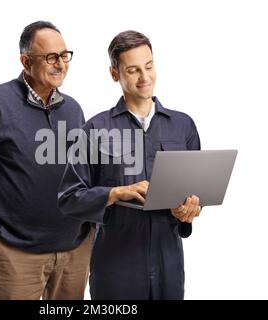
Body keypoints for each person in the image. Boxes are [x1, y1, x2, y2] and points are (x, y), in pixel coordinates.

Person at [58, 30, 202, 299]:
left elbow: (195, 194)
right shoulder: (95, 129)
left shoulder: (183, 126)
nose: (145, 77)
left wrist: (190, 209)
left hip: (168, 265)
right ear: (115, 74)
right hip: (116, 269)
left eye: (149, 66)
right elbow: (69, 198)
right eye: (133, 70)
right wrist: (114, 193)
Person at [0, 21, 93, 300]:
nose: (60, 64)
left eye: (64, 55)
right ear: (25, 61)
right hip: (16, 255)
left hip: (74, 253)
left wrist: (91, 230)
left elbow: (84, 175)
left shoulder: (74, 109)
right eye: (50, 57)